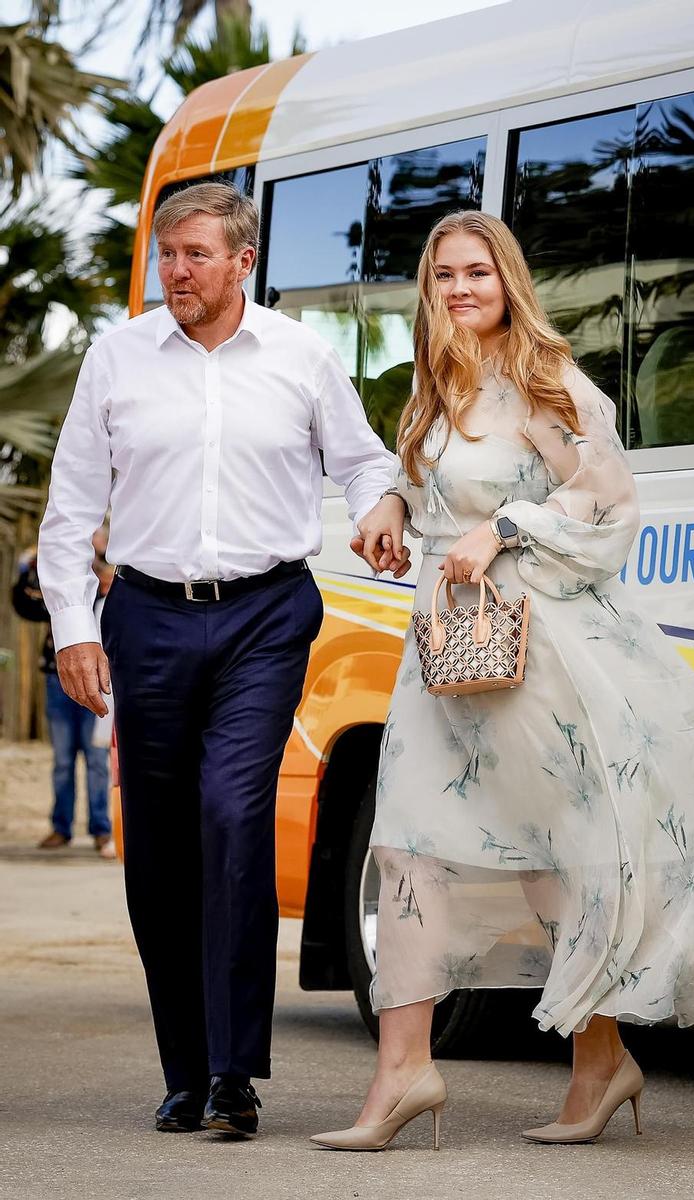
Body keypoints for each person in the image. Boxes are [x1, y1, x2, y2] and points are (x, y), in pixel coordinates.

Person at [311, 211, 694, 1152]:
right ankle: (403, 1072)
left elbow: (610, 502)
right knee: (408, 845)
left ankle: (600, 1061)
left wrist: (511, 527)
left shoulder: (546, 383)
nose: (459, 290)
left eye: (477, 275)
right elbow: (423, 493)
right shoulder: (433, 384)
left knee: (552, 858)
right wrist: (386, 510)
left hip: (530, 649)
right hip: (443, 646)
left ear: (509, 284)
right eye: (444, 275)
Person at [37, 182, 406, 1138]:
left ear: (245, 262)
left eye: (197, 255)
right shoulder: (115, 359)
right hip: (147, 619)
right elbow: (73, 507)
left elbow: (365, 462)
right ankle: (185, 1066)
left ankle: (236, 1073)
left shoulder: (301, 356)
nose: (177, 272)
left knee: (234, 812)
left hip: (265, 615)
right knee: (158, 842)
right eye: (168, 254)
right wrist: (74, 626)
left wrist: (379, 505)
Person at [12, 531, 115, 858]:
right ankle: (61, 827)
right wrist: (30, 567)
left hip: (100, 680)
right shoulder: (57, 571)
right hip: (58, 680)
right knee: (62, 759)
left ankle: (102, 829)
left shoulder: (118, 567)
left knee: (98, 758)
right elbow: (25, 604)